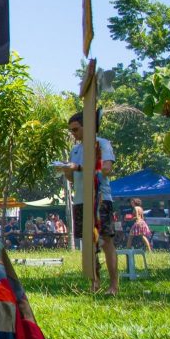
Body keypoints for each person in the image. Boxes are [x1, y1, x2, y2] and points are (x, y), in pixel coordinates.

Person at [59, 111, 118, 295]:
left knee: (106, 240)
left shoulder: (102, 144)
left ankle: (114, 285)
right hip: (80, 200)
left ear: (88, 126)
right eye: (71, 130)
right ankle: (95, 283)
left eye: (76, 129)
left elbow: (106, 169)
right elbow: (73, 178)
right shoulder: (75, 150)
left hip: (100, 198)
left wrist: (78, 167)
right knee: (88, 242)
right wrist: (67, 171)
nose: (73, 134)